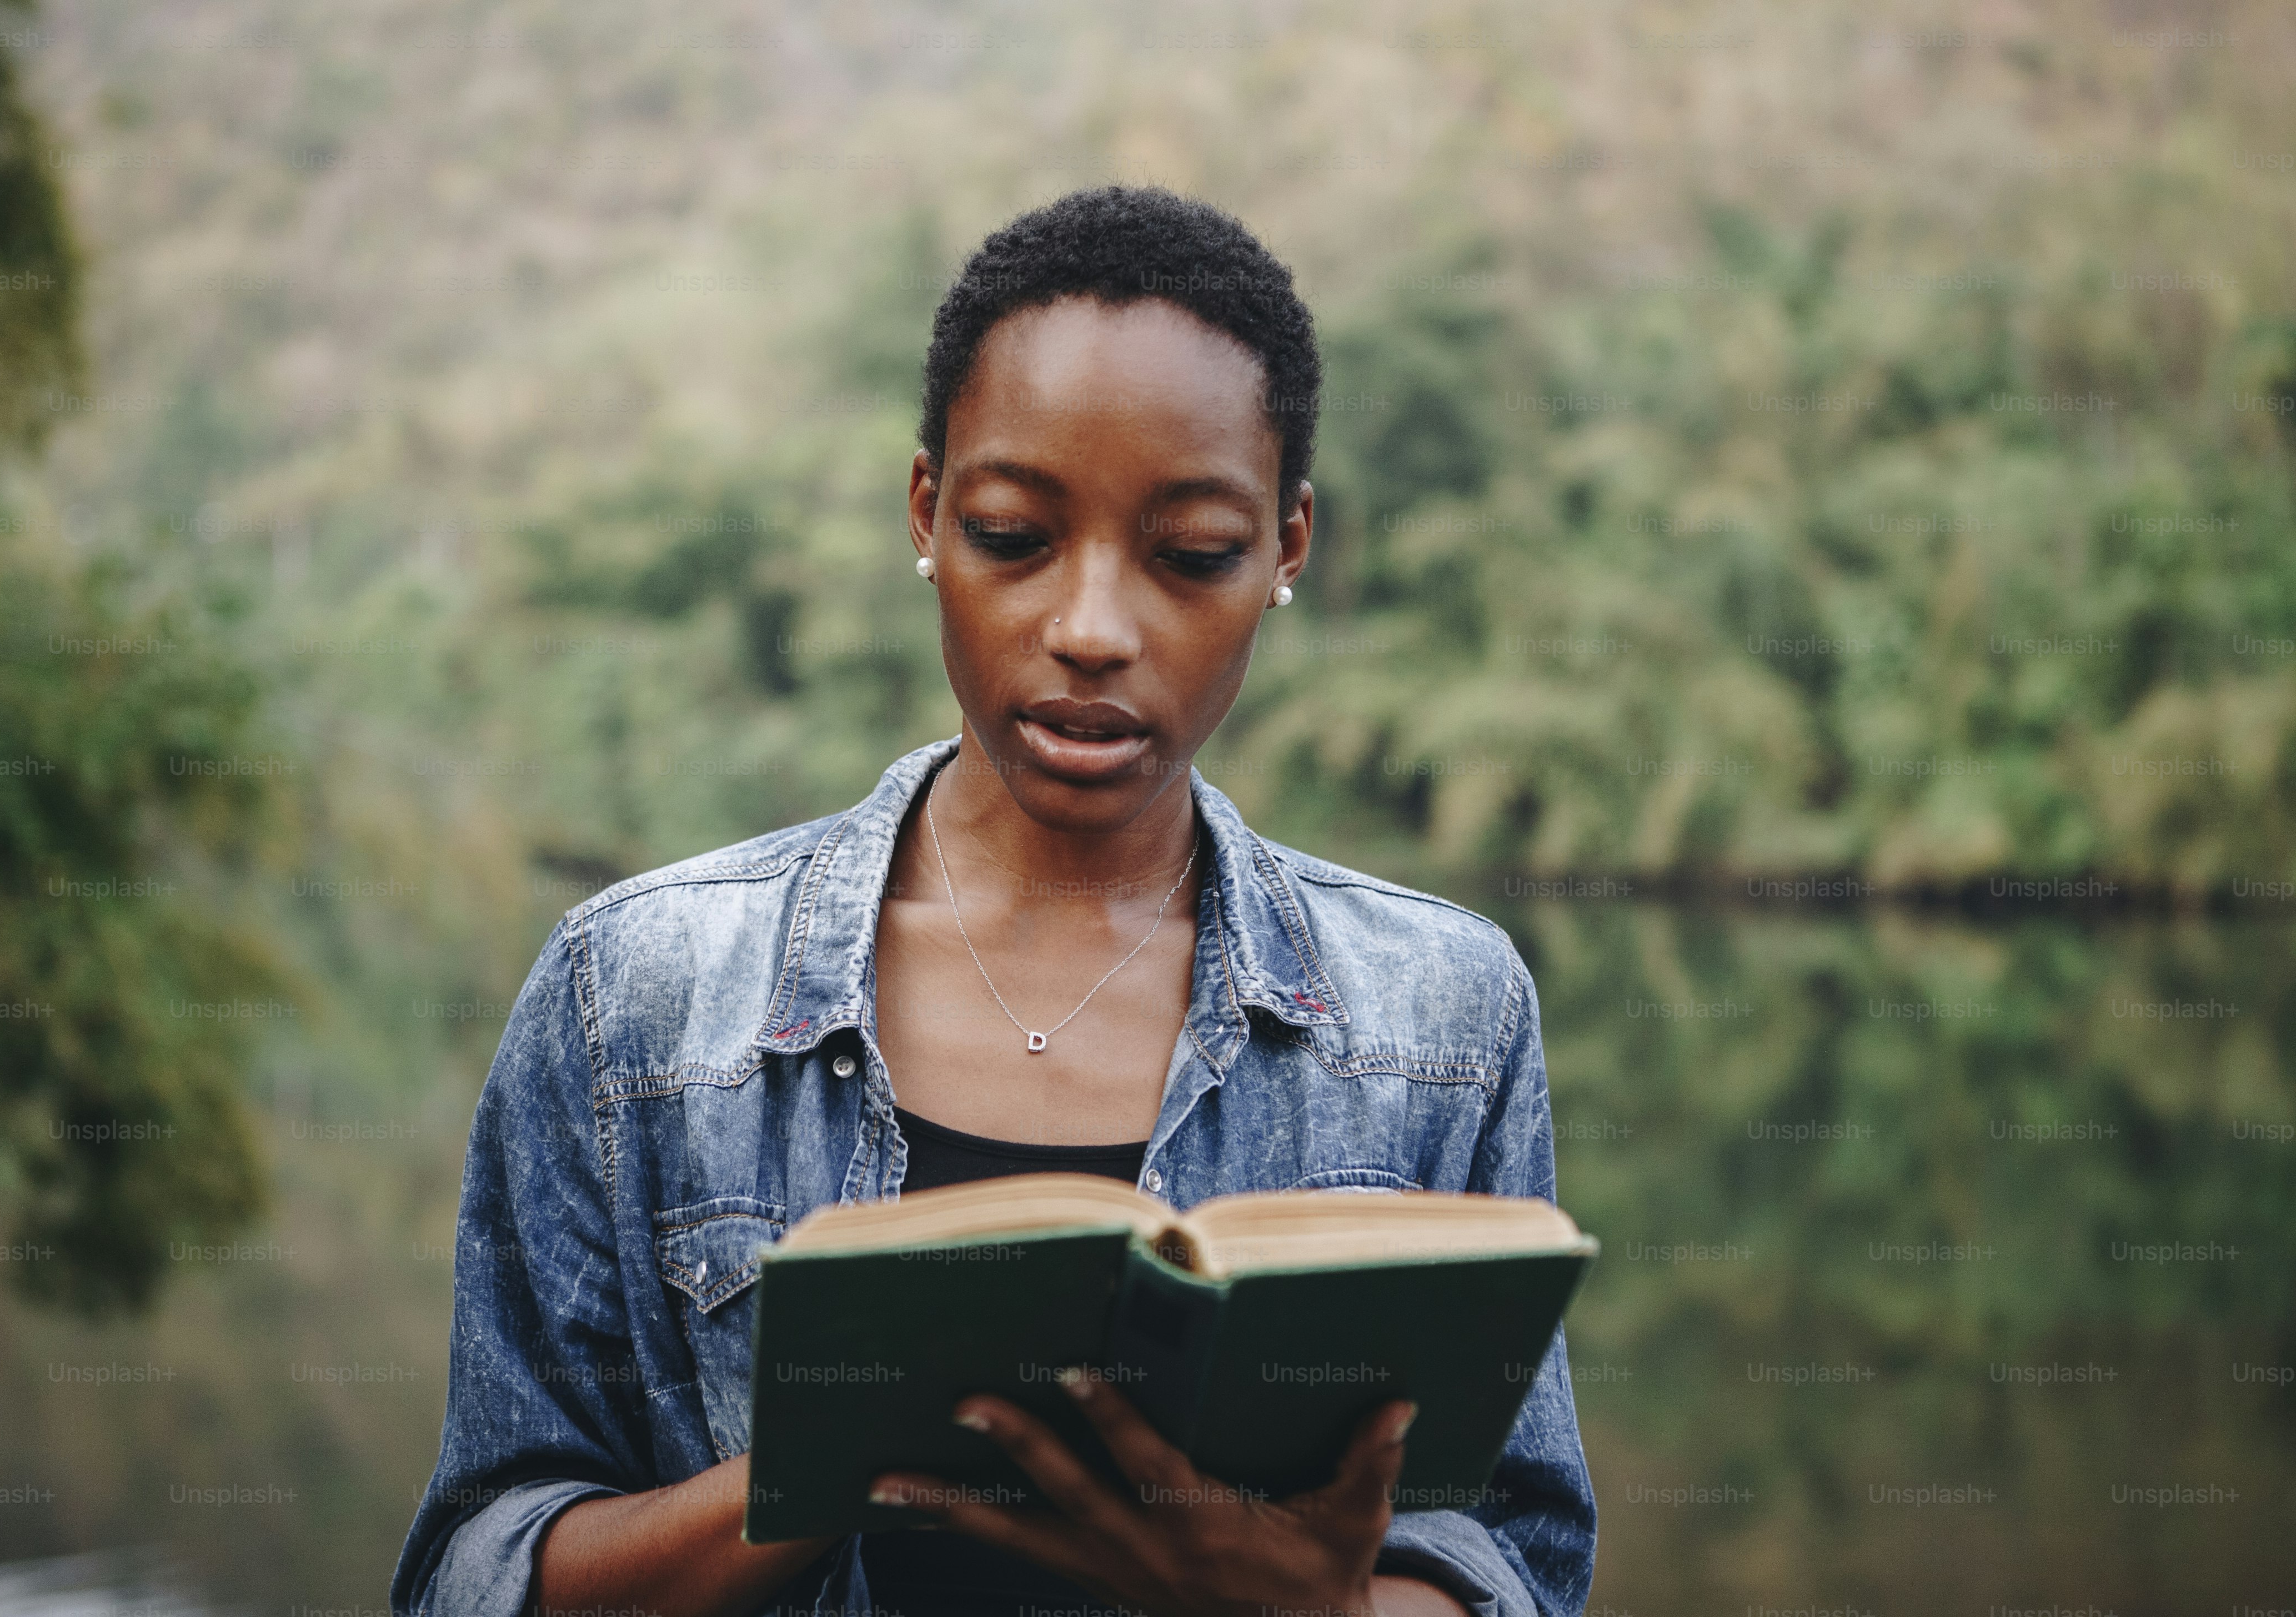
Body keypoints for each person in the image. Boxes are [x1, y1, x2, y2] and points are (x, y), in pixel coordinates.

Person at [392, 185, 1595, 1617]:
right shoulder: (636, 996)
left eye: (1193, 553)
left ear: (1287, 549)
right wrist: (839, 1459)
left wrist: (1310, 1608)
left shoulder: (1441, 1017)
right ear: (927, 514)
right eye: (1016, 534)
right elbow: (477, 1570)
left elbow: (1518, 1561)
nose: (1090, 628)